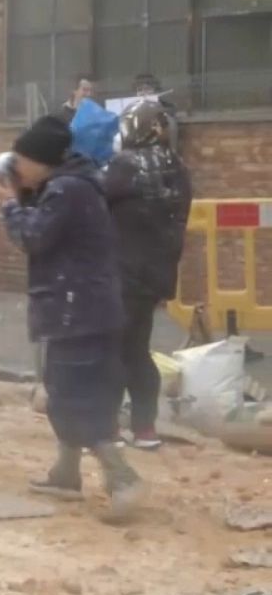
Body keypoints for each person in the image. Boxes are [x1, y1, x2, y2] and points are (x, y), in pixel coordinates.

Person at [0, 115, 144, 518]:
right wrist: (25, 196)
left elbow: (34, 237)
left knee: (78, 401)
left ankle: (123, 478)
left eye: (20, 159)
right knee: (66, 391)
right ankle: (65, 473)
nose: (14, 167)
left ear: (39, 160)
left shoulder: (66, 190)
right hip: (81, 310)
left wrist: (11, 204)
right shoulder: (71, 185)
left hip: (78, 312)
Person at [105, 99, 192, 450]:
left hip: (122, 270)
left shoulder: (125, 166)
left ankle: (107, 428)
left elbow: (98, 199)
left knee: (112, 349)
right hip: (157, 274)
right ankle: (145, 429)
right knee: (138, 349)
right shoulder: (178, 166)